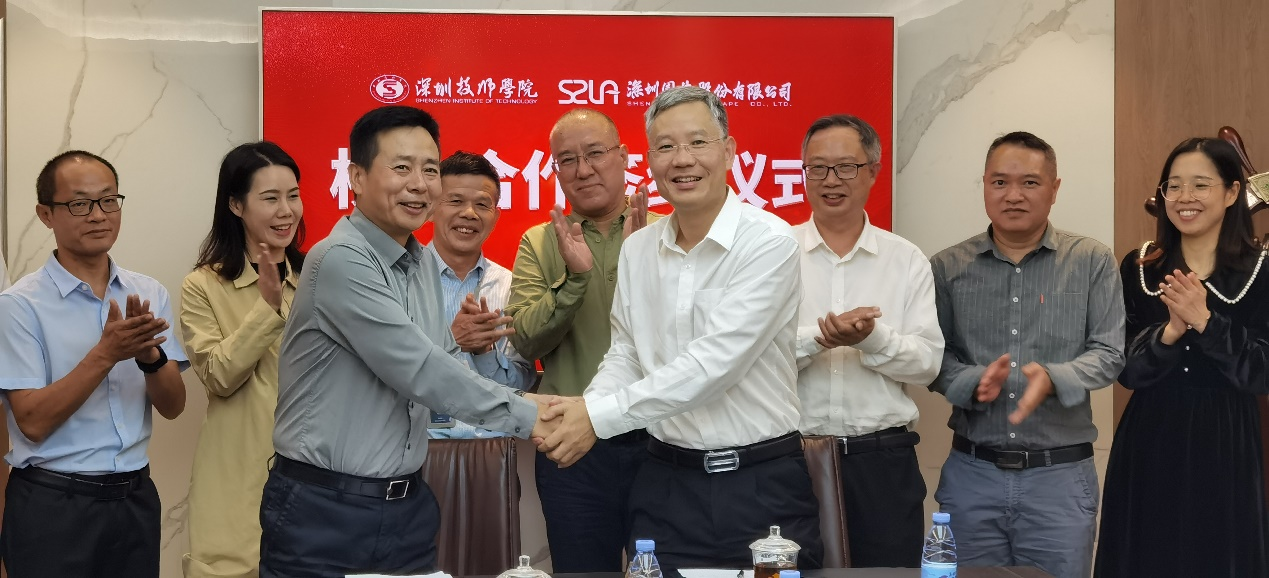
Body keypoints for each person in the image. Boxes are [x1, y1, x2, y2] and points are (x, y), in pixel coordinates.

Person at [538, 86, 824, 571]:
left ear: (728, 151)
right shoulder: (639, 249)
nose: (682, 159)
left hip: (759, 483)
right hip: (665, 483)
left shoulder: (768, 242)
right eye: (665, 147)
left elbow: (714, 365)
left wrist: (597, 417)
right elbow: (626, 352)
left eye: (697, 142)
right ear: (649, 161)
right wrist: (588, 408)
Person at [262, 105, 553, 578]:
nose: (419, 184)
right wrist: (537, 416)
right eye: (402, 167)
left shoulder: (417, 262)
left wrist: (526, 401)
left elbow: (442, 359)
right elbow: (419, 369)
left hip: (407, 503)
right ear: (356, 177)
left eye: (430, 170)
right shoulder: (340, 259)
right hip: (327, 508)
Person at [929, 131, 1124, 578]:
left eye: (1030, 183)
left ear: (1054, 188)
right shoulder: (947, 267)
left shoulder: (1092, 260)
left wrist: (1055, 377)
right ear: (984, 185)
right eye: (1000, 182)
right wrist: (971, 381)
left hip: (1059, 479)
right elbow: (933, 356)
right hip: (972, 474)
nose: (1013, 195)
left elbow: (1109, 352)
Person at [0, 150, 188, 578]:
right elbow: (31, 422)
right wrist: (105, 354)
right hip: (53, 505)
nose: (99, 215)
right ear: (45, 214)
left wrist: (149, 356)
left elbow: (174, 406)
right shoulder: (19, 306)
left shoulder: (148, 292)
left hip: (134, 499)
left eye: (108, 200)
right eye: (80, 204)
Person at [1094, 137, 1269, 577]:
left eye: (1200, 185)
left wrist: (1206, 322)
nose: (1185, 197)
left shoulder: (1261, 268)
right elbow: (1126, 370)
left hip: (1227, 438)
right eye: (1173, 186)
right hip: (1150, 435)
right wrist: (1170, 332)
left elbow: (1262, 373)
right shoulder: (1140, 267)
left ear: (1232, 192)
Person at [793, 114, 943, 568]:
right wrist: (820, 338)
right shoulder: (774, 253)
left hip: (882, 462)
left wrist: (873, 339)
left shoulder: (906, 259)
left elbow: (928, 364)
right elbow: (752, 356)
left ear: (873, 171)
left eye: (846, 167)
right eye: (818, 168)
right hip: (792, 458)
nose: (830, 180)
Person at [505, 108, 651, 572]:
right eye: (567, 159)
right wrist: (574, 281)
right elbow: (526, 341)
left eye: (595, 154)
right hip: (571, 443)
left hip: (661, 439)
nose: (583, 170)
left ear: (623, 157)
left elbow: (690, 338)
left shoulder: (666, 232)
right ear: (556, 171)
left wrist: (643, 264)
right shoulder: (540, 241)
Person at [179, 141, 305, 577]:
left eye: (293, 196)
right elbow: (218, 375)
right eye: (270, 198)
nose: (286, 211)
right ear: (236, 205)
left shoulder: (319, 279)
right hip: (236, 478)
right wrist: (266, 309)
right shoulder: (202, 286)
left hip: (316, 477)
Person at [428, 151, 535, 438]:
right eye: (455, 201)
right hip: (417, 449)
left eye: (482, 204)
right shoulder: (401, 279)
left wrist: (485, 354)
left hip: (493, 448)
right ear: (431, 206)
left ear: (495, 216)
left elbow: (521, 384)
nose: (469, 213)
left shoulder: (511, 286)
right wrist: (451, 341)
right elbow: (385, 375)